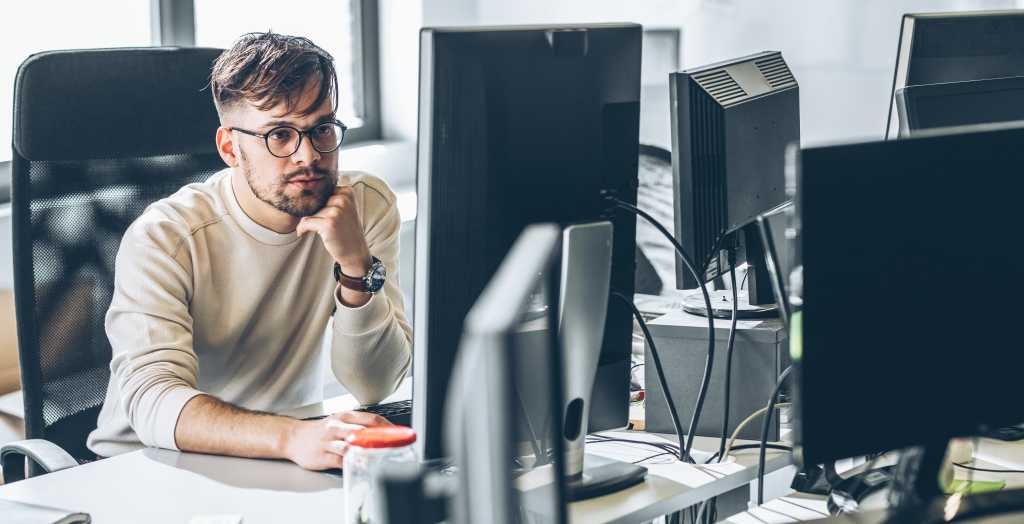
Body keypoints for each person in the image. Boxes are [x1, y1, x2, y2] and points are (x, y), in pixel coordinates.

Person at [87, 32, 412, 470]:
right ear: (229, 148)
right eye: (280, 134)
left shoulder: (364, 207)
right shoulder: (166, 237)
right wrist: (293, 437)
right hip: (147, 468)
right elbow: (153, 401)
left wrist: (356, 270)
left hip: (279, 460)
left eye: (321, 128)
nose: (309, 156)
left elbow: (376, 385)